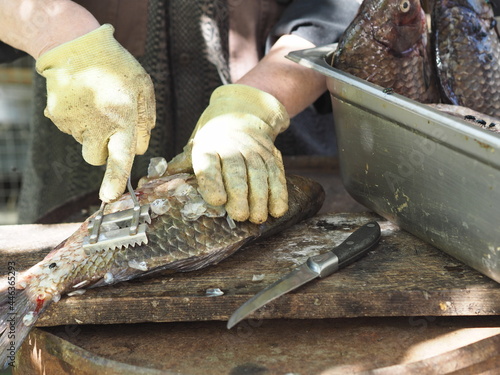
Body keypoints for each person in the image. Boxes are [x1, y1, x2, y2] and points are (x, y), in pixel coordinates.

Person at [0, 0, 360, 224]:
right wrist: (56, 32)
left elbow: (345, 11)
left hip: (279, 171)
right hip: (75, 185)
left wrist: (256, 104)